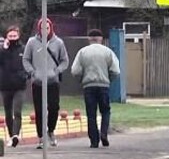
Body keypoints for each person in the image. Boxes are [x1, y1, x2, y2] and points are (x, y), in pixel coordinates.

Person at [22, 17, 69, 149]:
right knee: (39, 110)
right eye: (42, 28)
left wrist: (57, 71)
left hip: (52, 81)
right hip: (37, 82)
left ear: (50, 28)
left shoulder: (58, 42)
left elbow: (65, 60)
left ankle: (51, 131)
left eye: (47, 28)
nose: (44, 31)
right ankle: (41, 137)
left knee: (54, 107)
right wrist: (32, 72)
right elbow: (26, 59)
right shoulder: (32, 42)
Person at [71, 29, 120, 149]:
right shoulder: (108, 52)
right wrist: (108, 79)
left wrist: (81, 79)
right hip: (103, 85)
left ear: (89, 39)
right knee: (105, 111)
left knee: (91, 114)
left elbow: (75, 70)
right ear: (101, 39)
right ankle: (104, 133)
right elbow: (116, 71)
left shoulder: (82, 52)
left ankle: (94, 140)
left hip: (89, 86)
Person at [0, 26, 28, 148]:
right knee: (7, 112)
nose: (12, 38)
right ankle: (12, 136)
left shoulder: (23, 49)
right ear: (6, 37)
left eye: (14, 36)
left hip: (19, 85)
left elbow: (28, 63)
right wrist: (4, 49)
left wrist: (25, 75)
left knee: (17, 111)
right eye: (10, 36)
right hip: (5, 85)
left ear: (18, 36)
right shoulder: (2, 50)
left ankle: (16, 135)